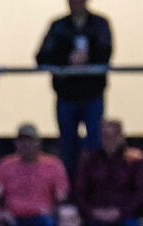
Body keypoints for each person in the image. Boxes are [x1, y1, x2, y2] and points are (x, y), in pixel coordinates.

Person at [35, 0, 112, 176]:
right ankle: (71, 186)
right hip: (66, 95)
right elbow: (42, 57)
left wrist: (88, 59)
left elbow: (106, 53)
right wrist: (66, 61)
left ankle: (93, 186)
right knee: (68, 147)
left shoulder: (100, 24)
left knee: (95, 146)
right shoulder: (58, 26)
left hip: (92, 94)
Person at [73, 119, 143, 226]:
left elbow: (142, 192)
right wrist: (92, 212)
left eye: (113, 135)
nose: (109, 140)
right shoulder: (89, 159)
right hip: (94, 214)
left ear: (121, 136)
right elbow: (79, 191)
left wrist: (121, 212)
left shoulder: (135, 158)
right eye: (105, 136)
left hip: (125, 214)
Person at [0, 123, 68, 226]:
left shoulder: (53, 164)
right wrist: (3, 212)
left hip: (43, 218)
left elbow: (62, 196)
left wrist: (53, 210)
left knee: (52, 224)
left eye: (29, 140)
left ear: (38, 142)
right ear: (16, 143)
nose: (25, 144)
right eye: (21, 141)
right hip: (13, 218)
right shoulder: (5, 165)